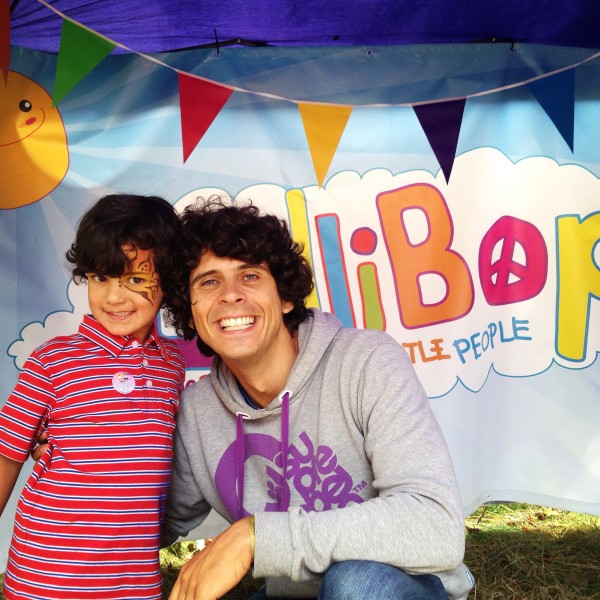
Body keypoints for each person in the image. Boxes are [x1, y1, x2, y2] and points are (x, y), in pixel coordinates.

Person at [161, 197, 475, 600]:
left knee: (356, 585)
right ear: (190, 314)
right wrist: (66, 460)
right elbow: (141, 523)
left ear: (286, 297)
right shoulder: (197, 414)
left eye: (251, 276)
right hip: (293, 595)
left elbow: (436, 526)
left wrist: (257, 537)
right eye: (208, 282)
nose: (230, 295)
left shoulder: (367, 361)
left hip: (396, 587)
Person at [0, 194, 186, 600]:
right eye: (101, 278)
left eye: (135, 280)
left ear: (168, 281)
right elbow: (6, 456)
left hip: (134, 585)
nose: (113, 298)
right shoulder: (52, 360)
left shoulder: (172, 365)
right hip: (44, 580)